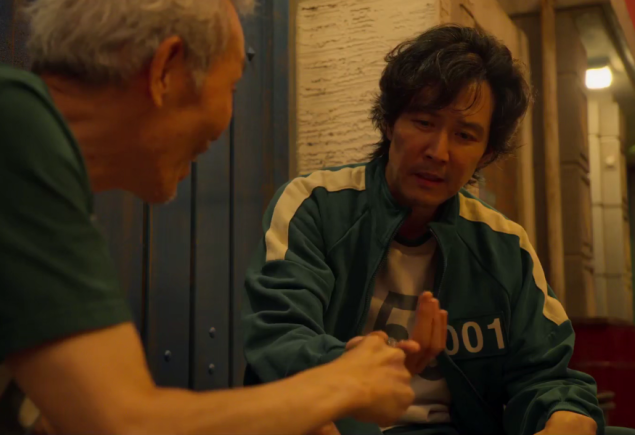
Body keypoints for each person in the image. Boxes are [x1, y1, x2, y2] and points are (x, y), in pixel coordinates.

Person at [0, 1, 418, 434]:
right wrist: (343, 384)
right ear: (165, 70)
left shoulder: (9, 152)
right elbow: (124, 421)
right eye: (230, 87)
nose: (225, 120)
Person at [242, 25, 606, 435]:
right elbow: (281, 337)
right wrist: (349, 371)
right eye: (423, 122)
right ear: (389, 122)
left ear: (486, 153)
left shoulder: (504, 245)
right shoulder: (316, 206)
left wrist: (567, 419)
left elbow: (549, 377)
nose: (439, 152)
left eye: (464, 135)